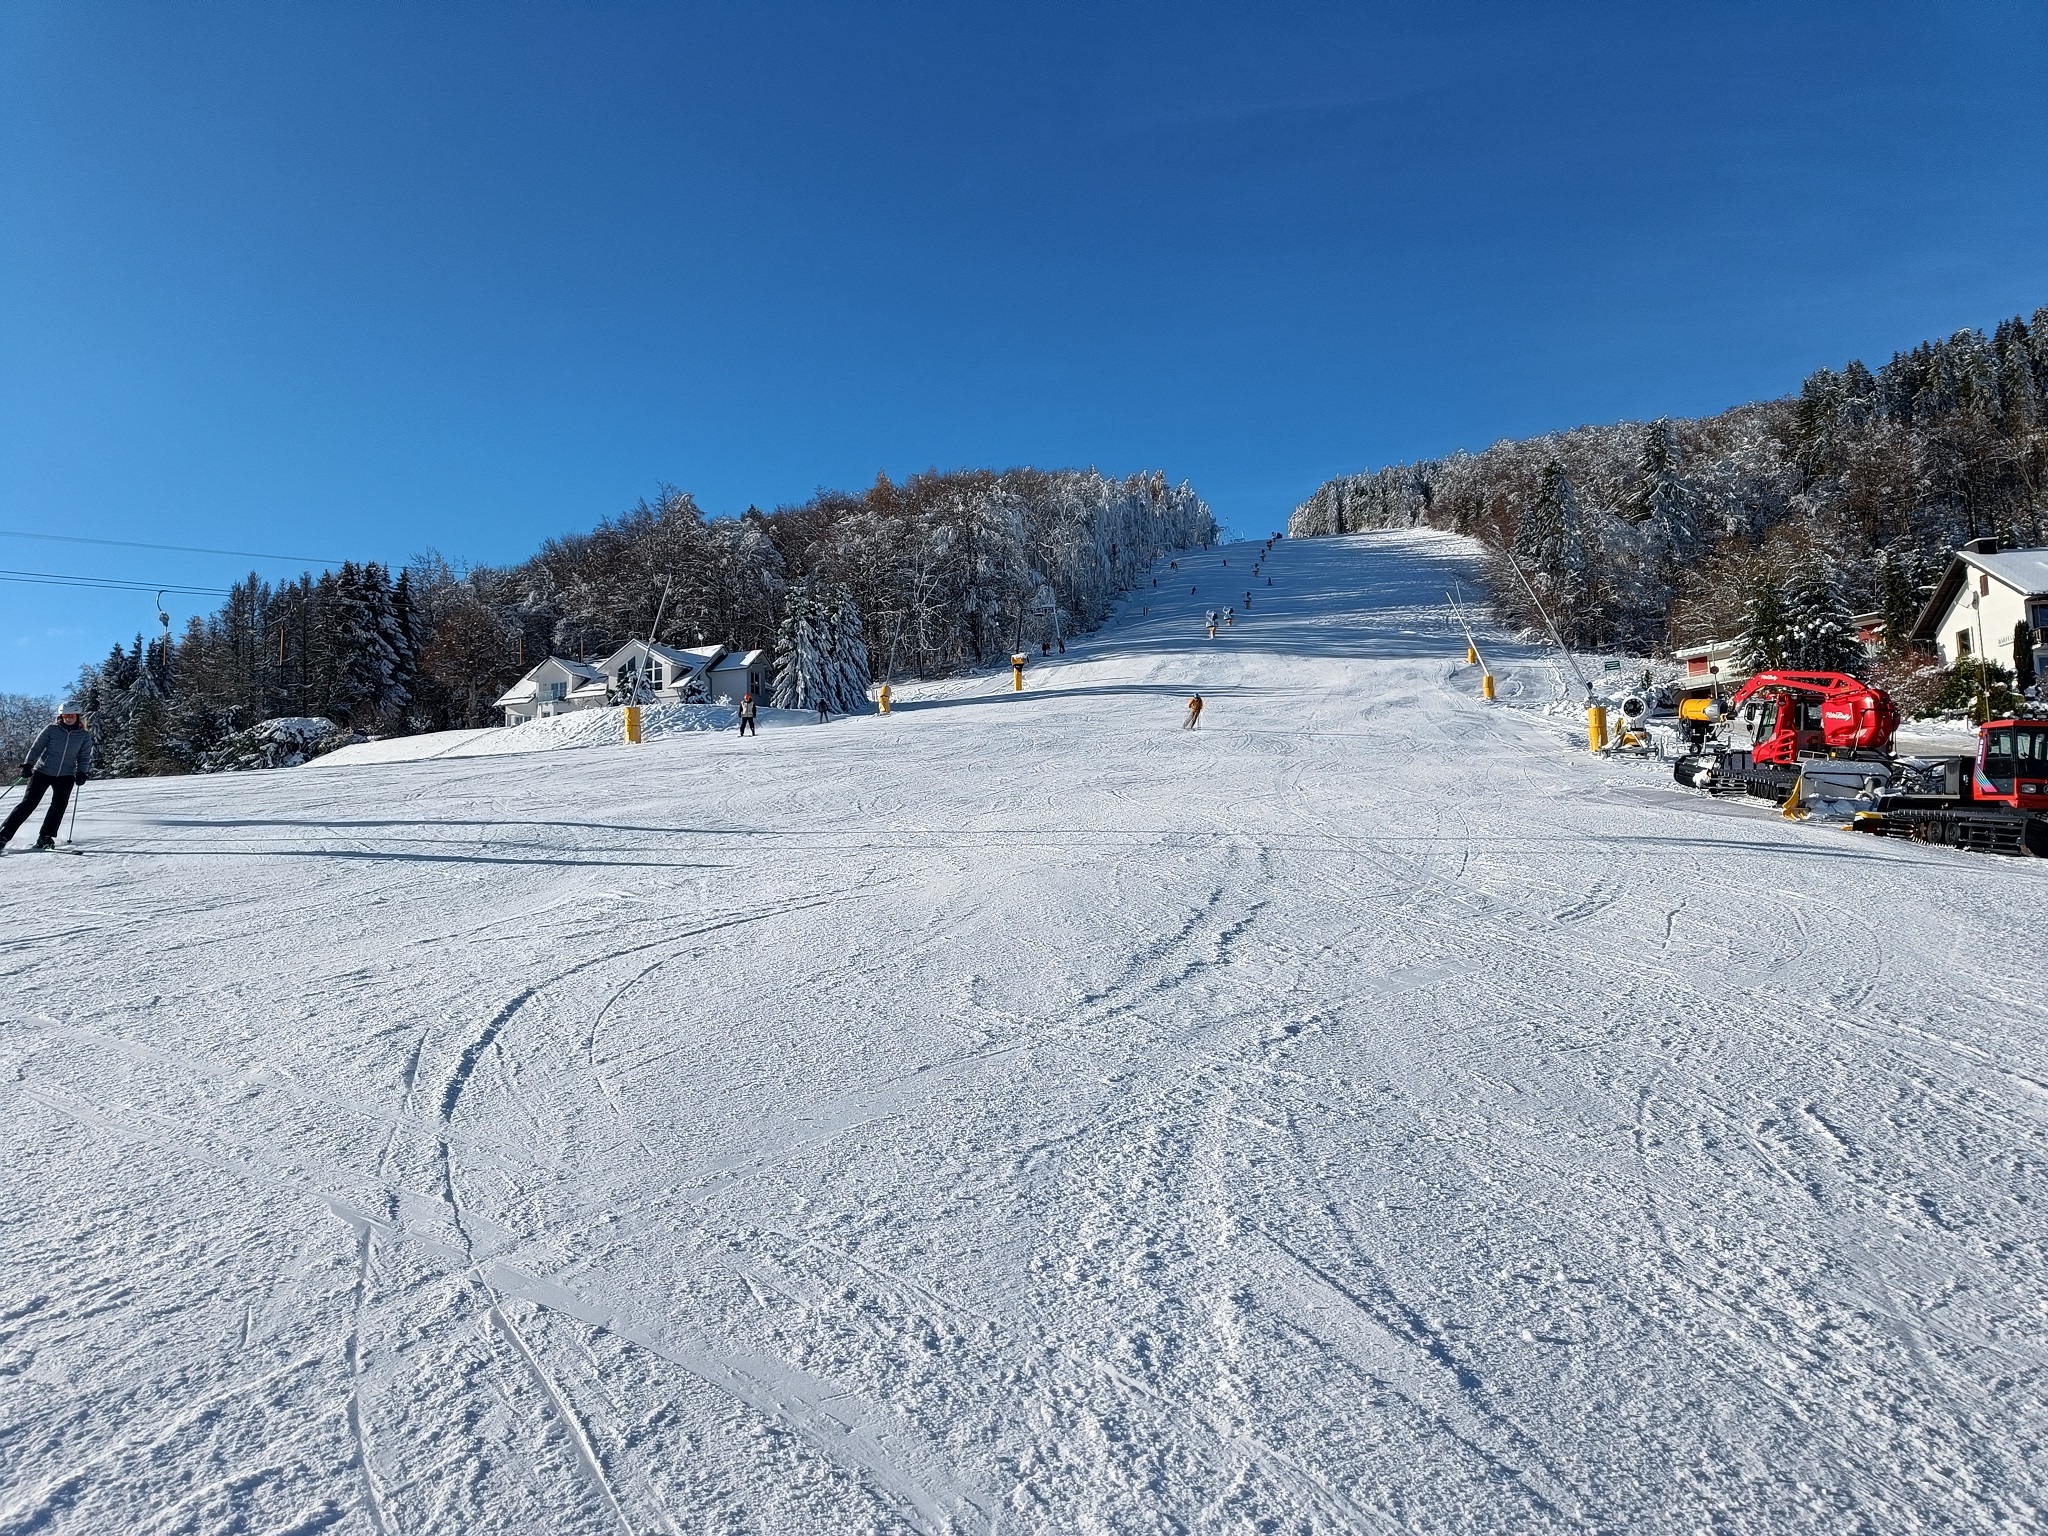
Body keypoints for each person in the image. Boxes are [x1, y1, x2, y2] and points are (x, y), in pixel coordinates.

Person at [2, 708, 94, 852]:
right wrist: (28, 765)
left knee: (59, 805)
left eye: (71, 715)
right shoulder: (51, 729)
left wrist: (82, 772)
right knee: (29, 803)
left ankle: (45, 836)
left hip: (66, 775)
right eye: (65, 715)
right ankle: (3, 836)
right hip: (42, 771)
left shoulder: (83, 735)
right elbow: (37, 747)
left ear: (77, 716)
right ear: (61, 716)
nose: (68, 718)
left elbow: (84, 756)